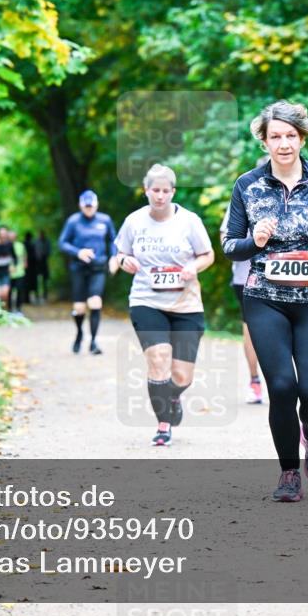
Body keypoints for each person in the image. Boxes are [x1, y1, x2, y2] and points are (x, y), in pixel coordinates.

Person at [222, 100, 308, 502]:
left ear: (302, 137)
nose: (283, 143)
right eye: (275, 136)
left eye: (290, 136)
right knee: (281, 386)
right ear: (263, 141)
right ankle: (288, 474)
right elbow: (230, 246)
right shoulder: (247, 185)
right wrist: (255, 241)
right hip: (265, 298)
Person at [113, 164, 215, 446]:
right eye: (155, 190)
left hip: (186, 304)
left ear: (173, 192)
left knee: (182, 376)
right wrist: (124, 261)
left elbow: (208, 254)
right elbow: (120, 252)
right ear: (146, 191)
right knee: (158, 360)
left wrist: (194, 266)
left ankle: (172, 395)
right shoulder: (134, 221)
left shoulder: (189, 221)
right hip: (147, 300)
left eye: (165, 191)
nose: (160, 196)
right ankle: (163, 424)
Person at [58, 190, 118, 354]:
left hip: (98, 268)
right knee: (79, 308)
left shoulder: (105, 220)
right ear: (80, 205)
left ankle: (93, 342)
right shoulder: (73, 221)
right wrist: (78, 252)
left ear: (96, 204)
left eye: (91, 206)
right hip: (78, 268)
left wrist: (114, 257)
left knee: (95, 302)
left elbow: (114, 240)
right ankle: (79, 333)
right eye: (86, 206)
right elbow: (62, 243)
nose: (89, 208)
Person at [219, 203, 263, 405]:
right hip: (247, 276)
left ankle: (286, 383)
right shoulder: (244, 194)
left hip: (286, 276)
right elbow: (225, 239)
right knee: (251, 328)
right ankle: (255, 381)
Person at [9, 229, 27, 314]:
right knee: (9, 292)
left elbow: (24, 256)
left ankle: (19, 308)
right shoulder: (6, 245)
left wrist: (25, 264)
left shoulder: (20, 245)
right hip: (9, 273)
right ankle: (9, 309)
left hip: (20, 272)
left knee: (20, 291)